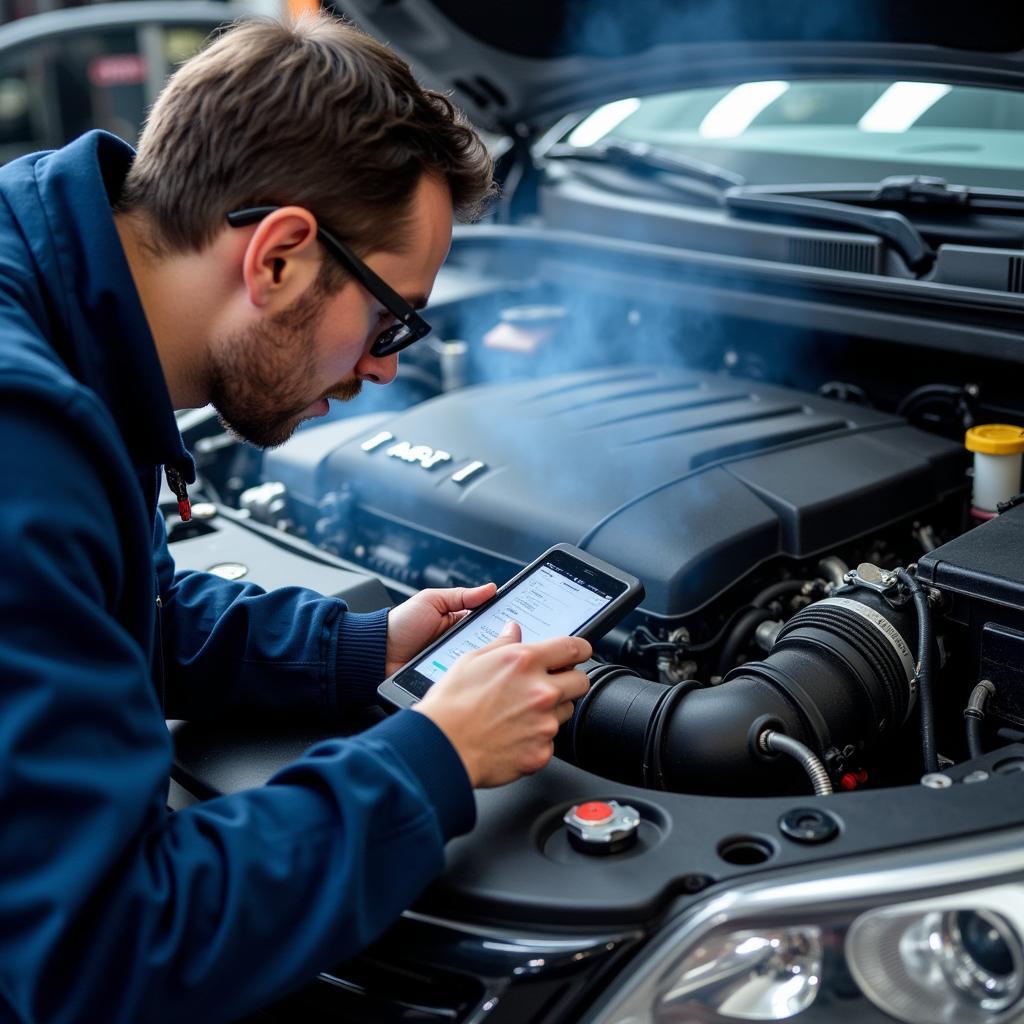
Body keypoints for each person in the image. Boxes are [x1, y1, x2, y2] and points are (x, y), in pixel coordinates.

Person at [0, 13, 592, 1023]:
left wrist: (358, 647)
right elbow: (102, 952)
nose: (387, 367)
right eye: (391, 315)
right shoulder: (26, 441)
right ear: (276, 257)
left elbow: (98, 606)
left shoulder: (49, 282)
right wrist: (432, 759)